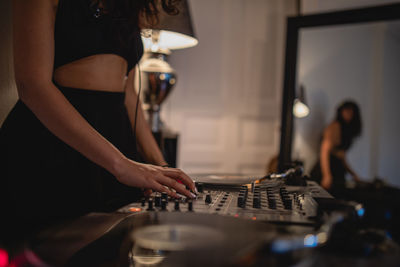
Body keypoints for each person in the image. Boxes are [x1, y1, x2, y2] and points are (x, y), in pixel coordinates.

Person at [0, 0, 196, 244]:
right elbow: (33, 87)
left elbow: (128, 95)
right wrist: (122, 165)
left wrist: (161, 166)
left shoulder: (127, 5)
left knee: (113, 251)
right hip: (54, 145)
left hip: (117, 143)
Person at [311, 101, 362, 195]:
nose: (349, 114)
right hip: (327, 170)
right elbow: (324, 151)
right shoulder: (335, 126)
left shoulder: (346, 130)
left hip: (337, 172)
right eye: (346, 111)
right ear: (341, 111)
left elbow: (341, 156)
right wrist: (327, 175)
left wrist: (353, 174)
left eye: (351, 112)